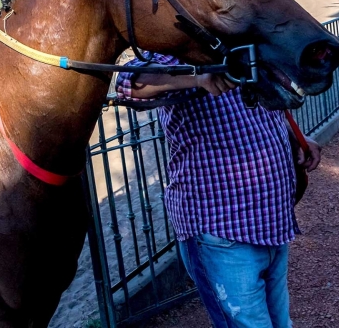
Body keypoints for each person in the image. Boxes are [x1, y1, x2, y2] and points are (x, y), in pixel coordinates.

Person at [116, 53, 322, 328]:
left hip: (272, 222)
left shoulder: (243, 46)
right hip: (222, 233)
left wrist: (295, 136)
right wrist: (199, 77)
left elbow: (262, 111)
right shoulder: (182, 50)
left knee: (281, 323)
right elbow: (128, 83)